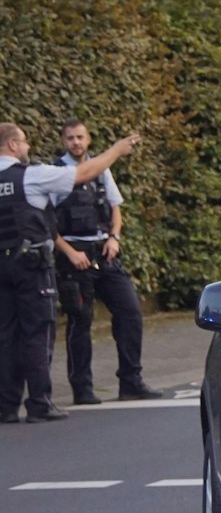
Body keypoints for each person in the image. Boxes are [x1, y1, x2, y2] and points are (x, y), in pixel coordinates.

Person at [0, 122, 140, 423]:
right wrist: (116, 150)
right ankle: (39, 402)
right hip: (29, 266)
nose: (27, 148)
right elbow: (81, 174)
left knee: (6, 335)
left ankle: (7, 406)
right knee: (38, 331)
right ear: (12, 145)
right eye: (23, 142)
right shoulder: (29, 175)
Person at [53, 121, 158, 403]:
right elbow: (46, 224)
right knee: (80, 320)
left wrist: (115, 237)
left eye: (80, 137)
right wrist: (69, 252)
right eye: (70, 138)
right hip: (74, 255)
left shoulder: (101, 170)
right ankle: (82, 388)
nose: (76, 142)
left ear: (88, 139)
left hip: (104, 252)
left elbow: (115, 208)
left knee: (130, 312)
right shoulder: (55, 174)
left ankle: (131, 380)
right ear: (63, 141)